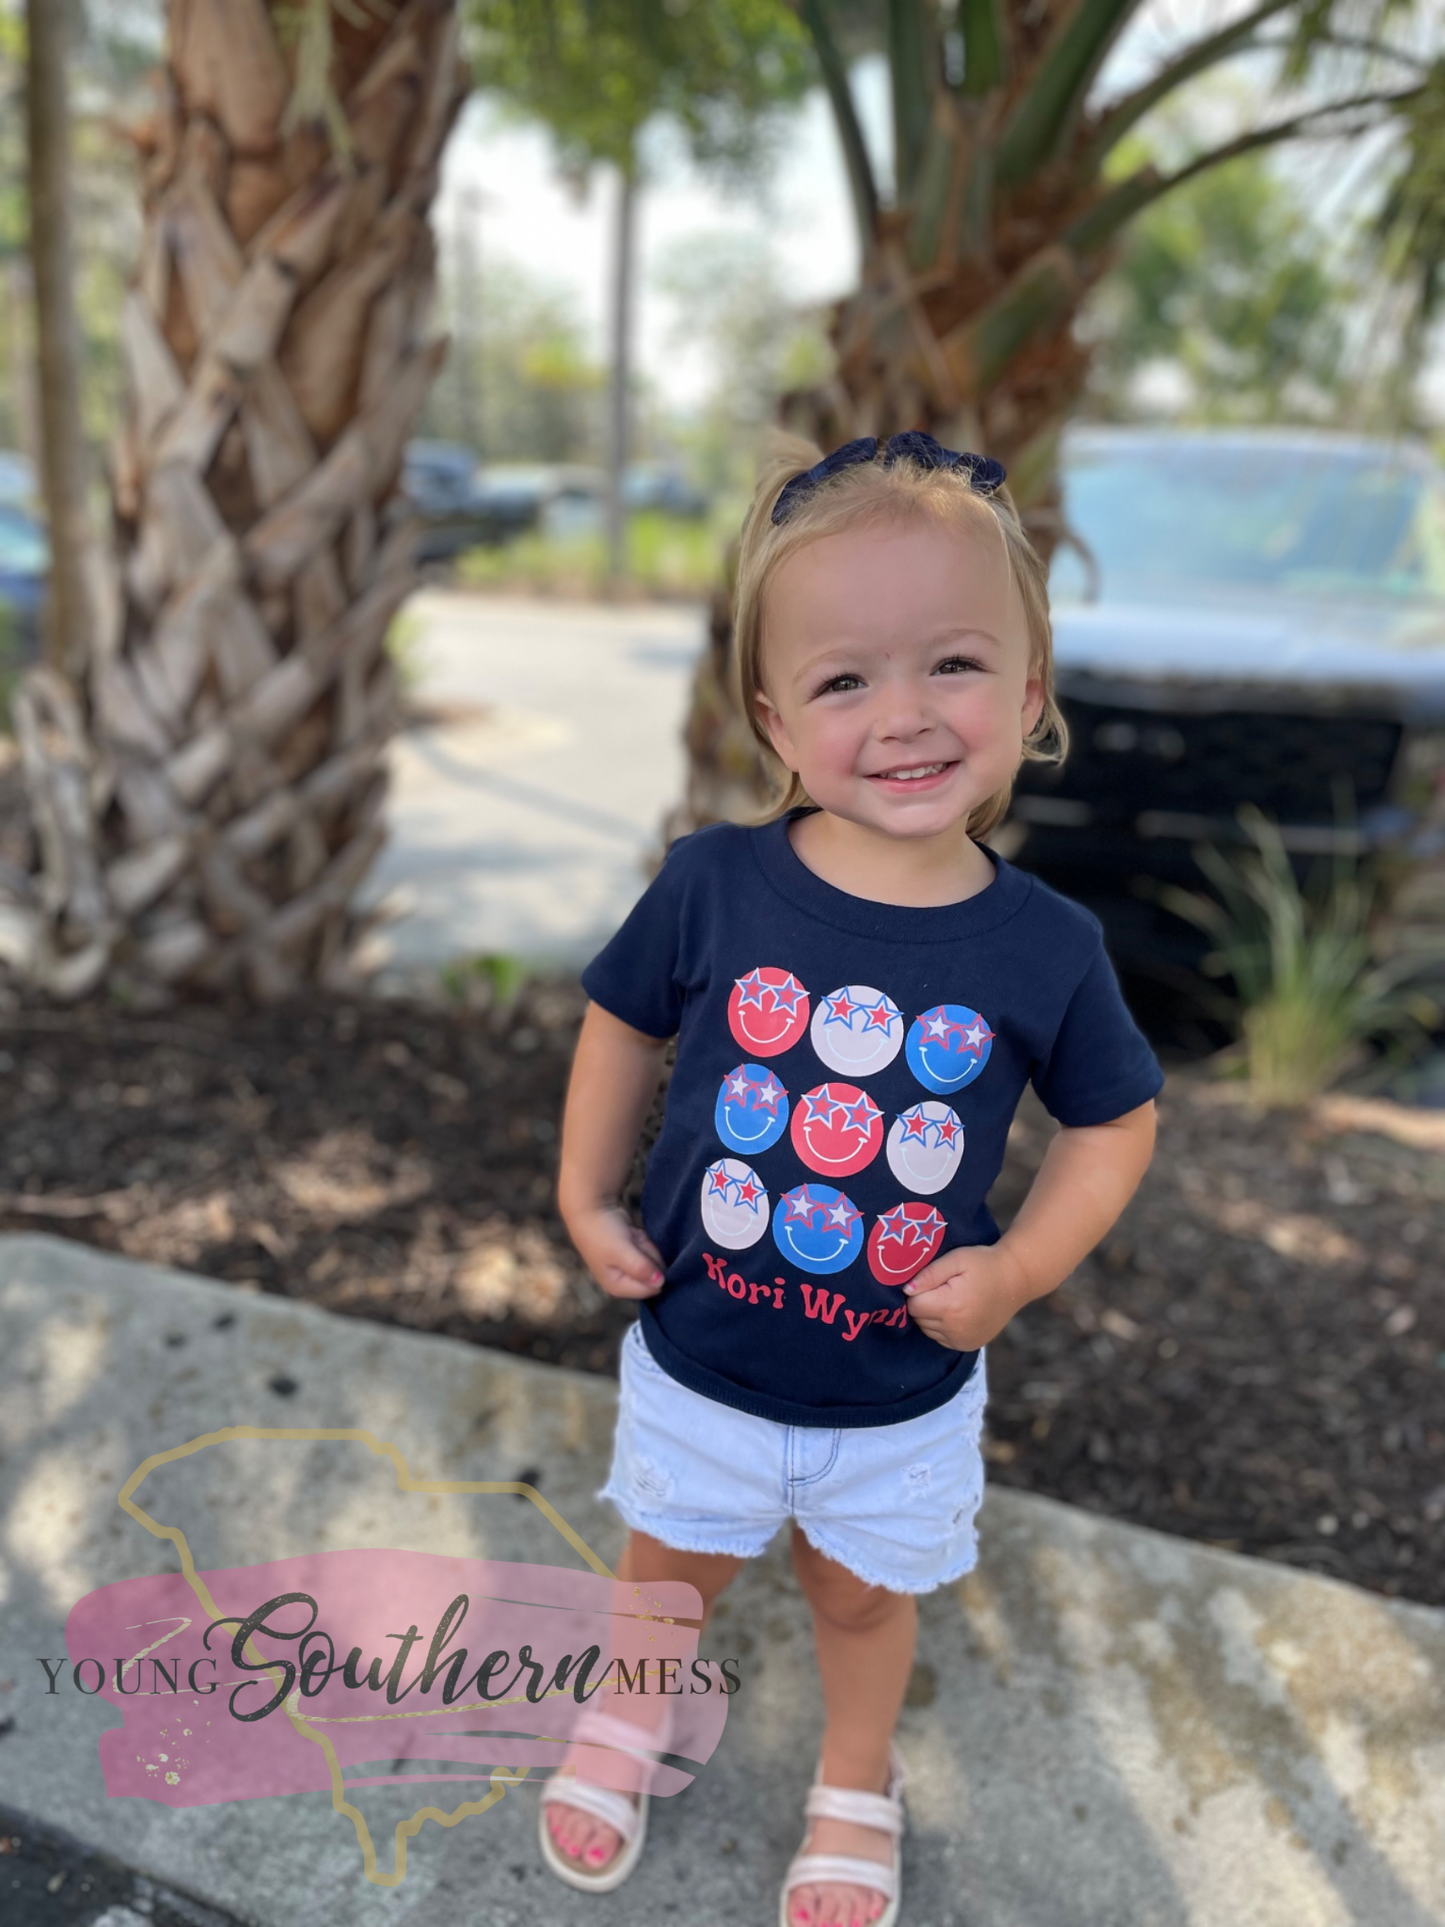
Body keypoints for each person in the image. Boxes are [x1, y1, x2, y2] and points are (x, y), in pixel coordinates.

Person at [540, 429, 1163, 1927]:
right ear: (775, 717)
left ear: (1028, 692)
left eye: (952, 664)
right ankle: (628, 1717)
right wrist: (583, 1194)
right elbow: (622, 1021)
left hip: (896, 1398)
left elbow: (1117, 1125)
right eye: (843, 680)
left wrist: (1016, 1272)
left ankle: (855, 1776)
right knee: (665, 1574)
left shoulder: (1044, 949)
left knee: (856, 1596)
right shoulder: (711, 883)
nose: (902, 715)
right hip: (705, 1353)